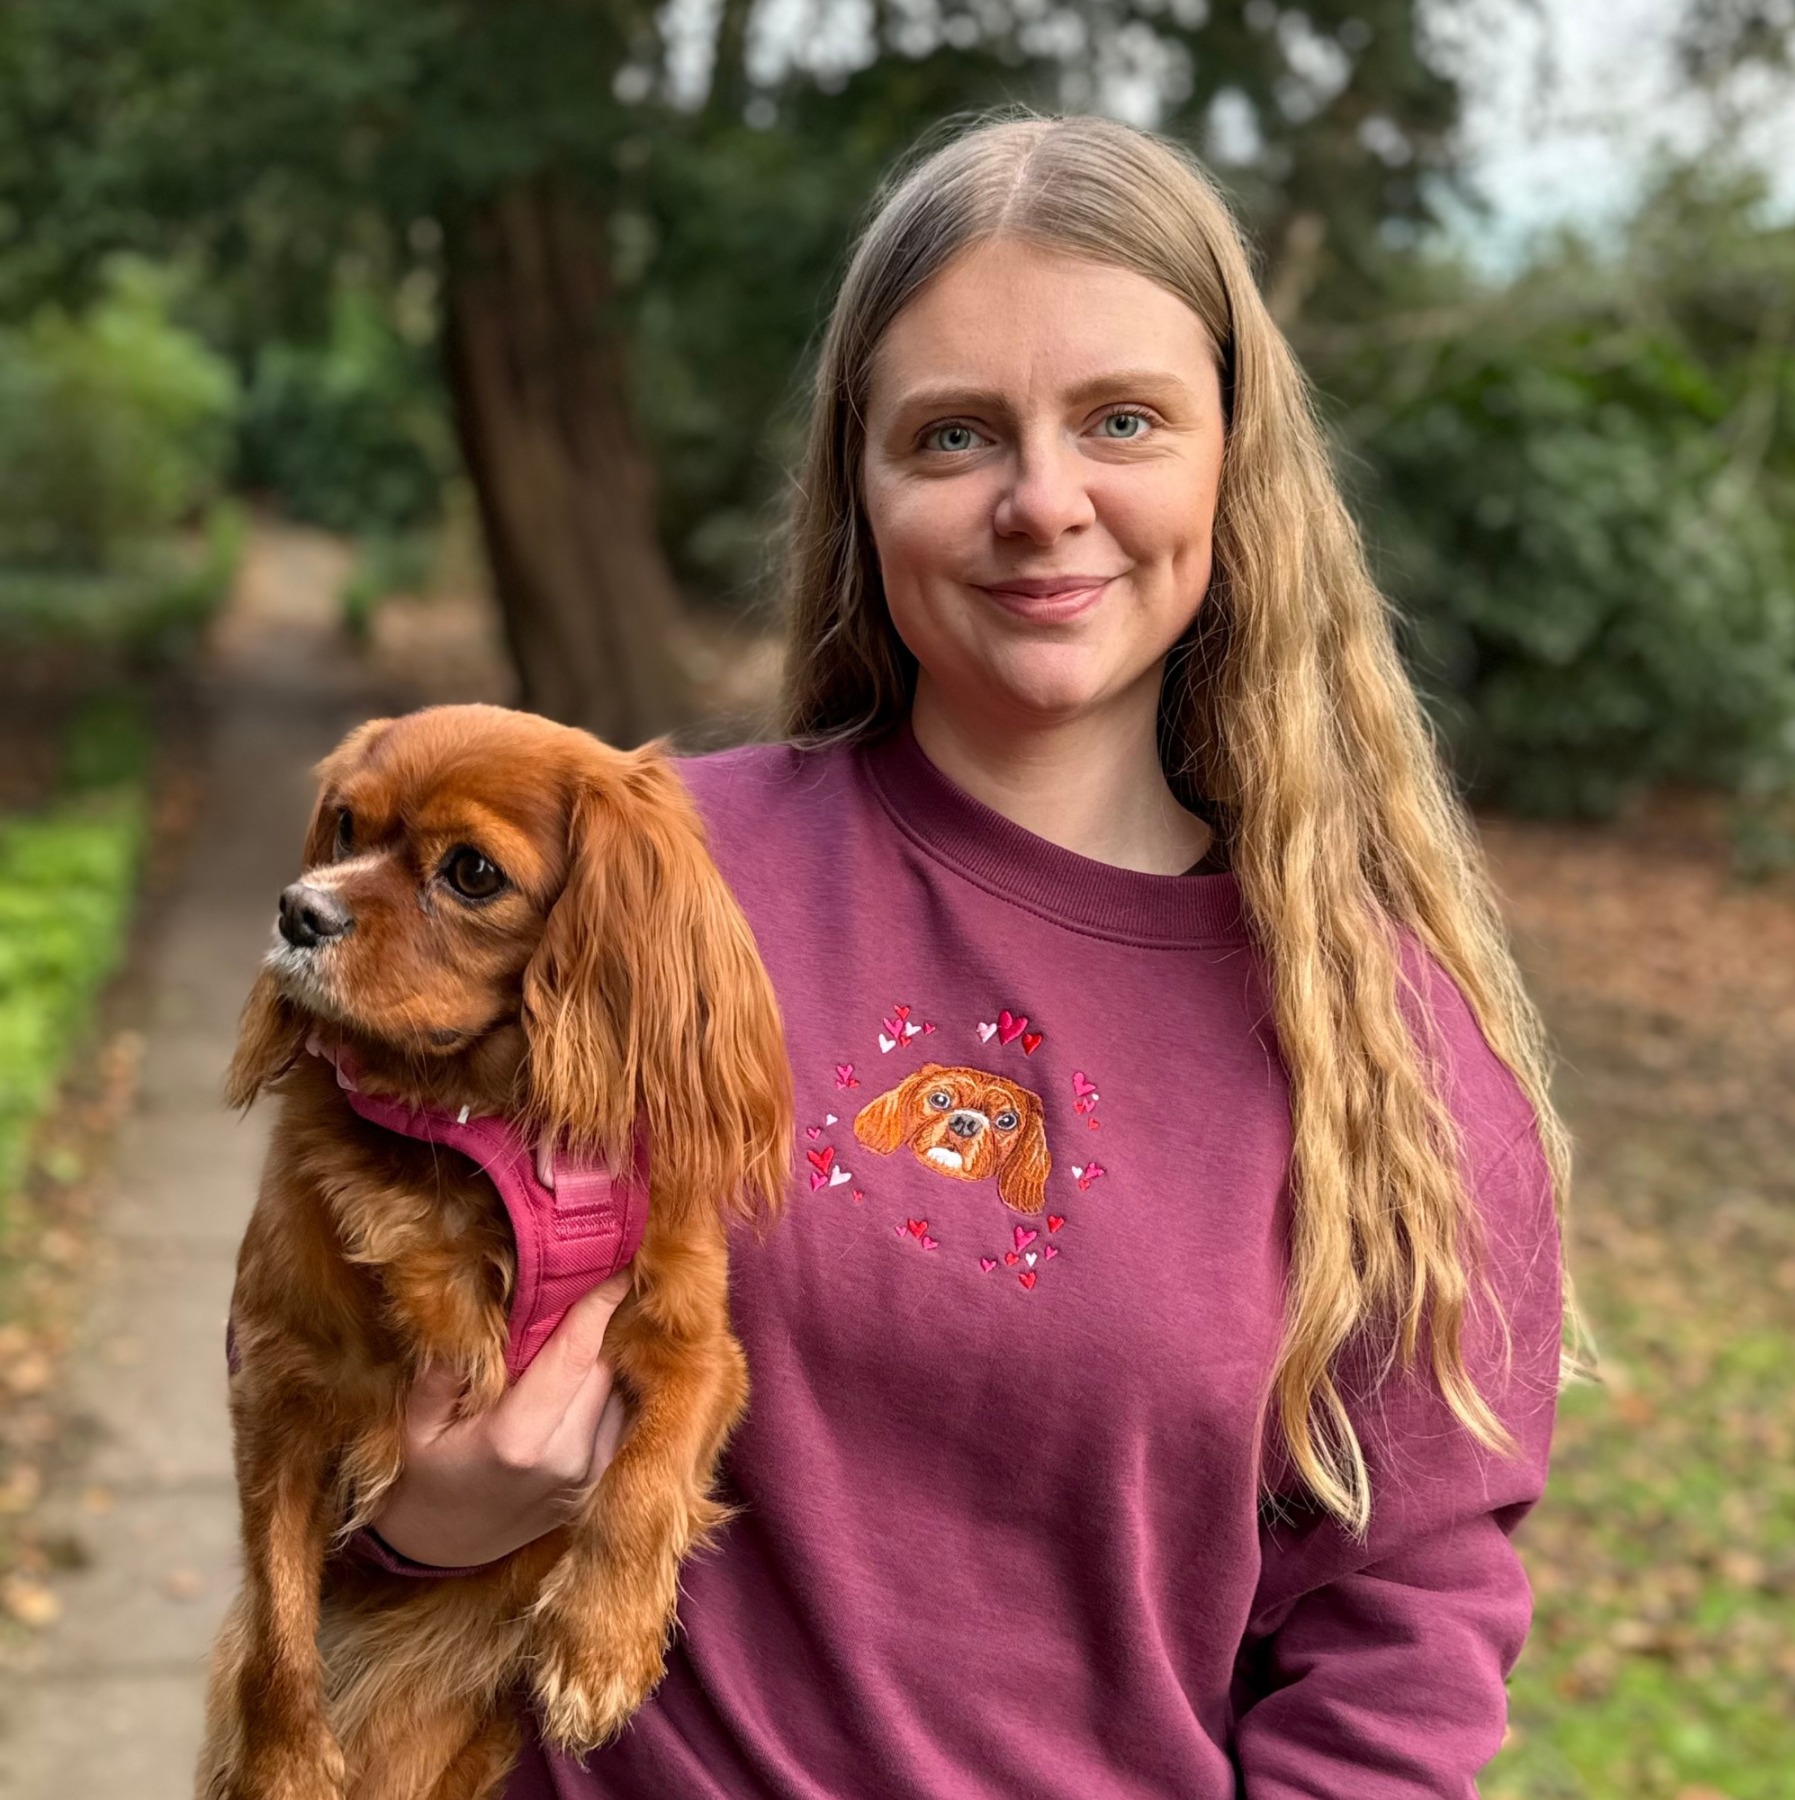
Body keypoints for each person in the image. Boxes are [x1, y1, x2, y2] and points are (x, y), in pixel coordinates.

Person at [364, 112, 1575, 1798]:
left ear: (1237, 459)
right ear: (861, 490)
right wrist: (422, 1523)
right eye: (953, 437)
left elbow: (1403, 1610)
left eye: (1124, 421)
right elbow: (335, 1287)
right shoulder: (649, 882)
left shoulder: (1385, 1048)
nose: (1044, 502)